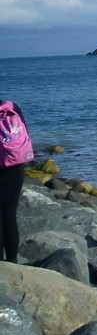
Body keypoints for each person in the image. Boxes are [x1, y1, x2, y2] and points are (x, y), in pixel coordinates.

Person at [0, 99, 32, 264]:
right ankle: (12, 260)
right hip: (16, 168)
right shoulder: (12, 107)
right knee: (10, 215)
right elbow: (25, 133)